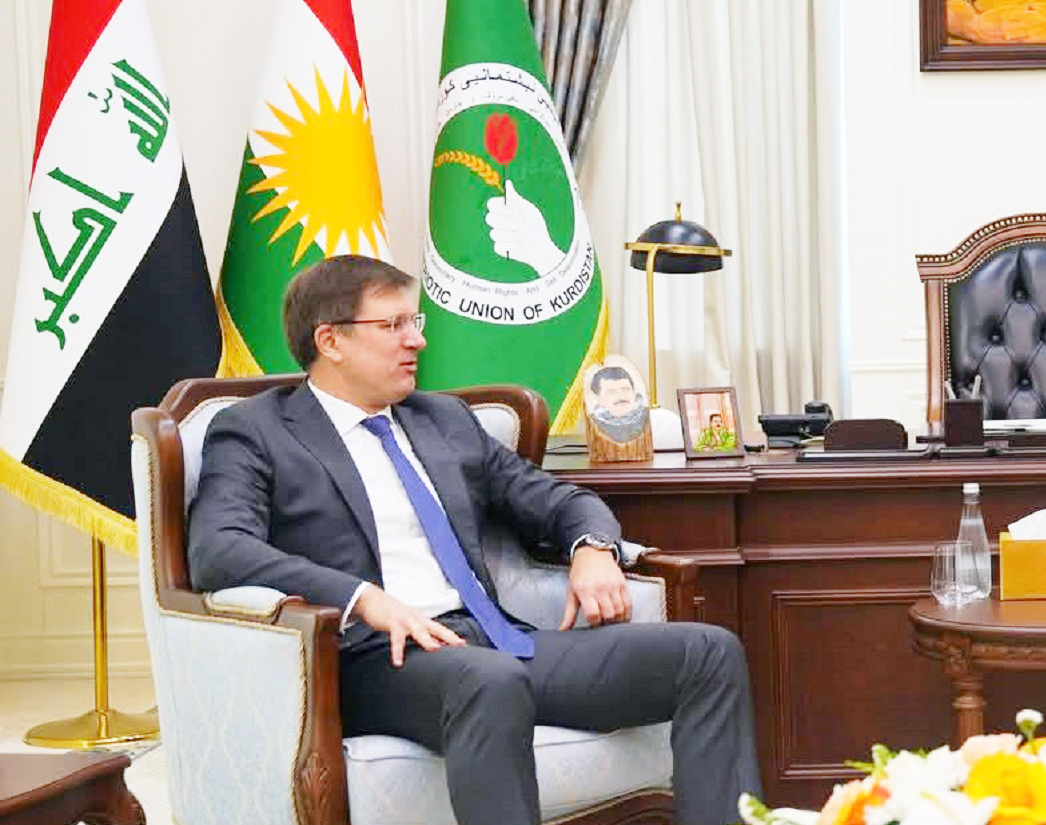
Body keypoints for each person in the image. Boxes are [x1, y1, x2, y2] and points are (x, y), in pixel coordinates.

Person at [187, 255, 761, 825]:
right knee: (490, 681)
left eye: (415, 322)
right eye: (394, 325)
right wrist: (361, 598)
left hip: (495, 641)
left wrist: (592, 547)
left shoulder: (443, 421)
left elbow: (558, 499)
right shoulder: (257, 430)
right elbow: (220, 549)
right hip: (373, 661)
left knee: (707, 654)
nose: (416, 341)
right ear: (330, 340)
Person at [587, 364, 650, 442]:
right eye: (612, 392)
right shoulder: (592, 424)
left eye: (626, 389)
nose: (621, 396)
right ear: (598, 399)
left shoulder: (650, 418)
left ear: (634, 392)